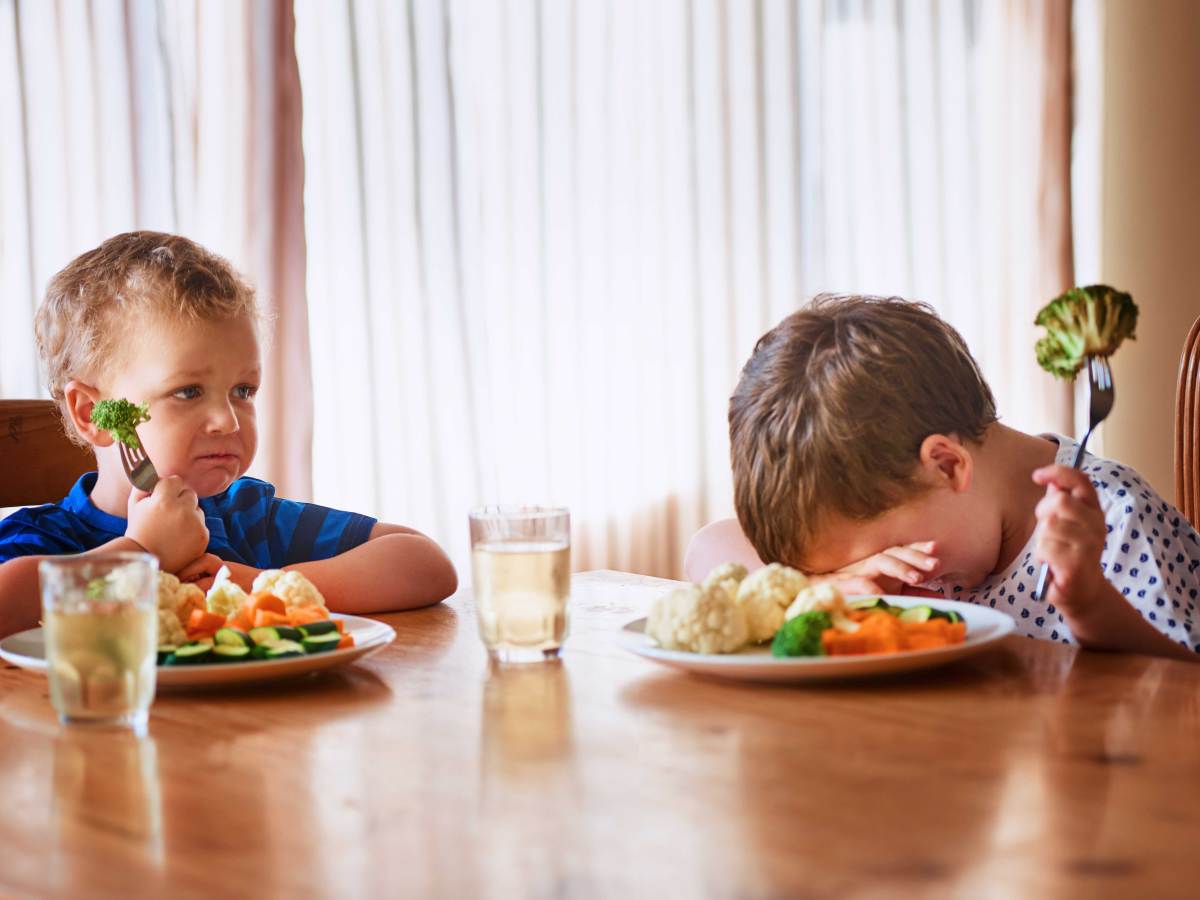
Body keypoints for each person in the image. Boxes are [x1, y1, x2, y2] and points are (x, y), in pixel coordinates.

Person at [686, 294, 1199, 661]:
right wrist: (821, 585)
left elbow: (1183, 696)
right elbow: (707, 549)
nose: (879, 572)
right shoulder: (936, 517)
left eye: (878, 552)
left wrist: (1090, 606)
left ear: (948, 465)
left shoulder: (1112, 523)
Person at [0, 232, 457, 637]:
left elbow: (425, 563)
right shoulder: (48, 539)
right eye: (188, 391)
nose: (228, 421)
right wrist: (141, 553)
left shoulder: (247, 517)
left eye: (243, 390)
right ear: (95, 414)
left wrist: (261, 585)